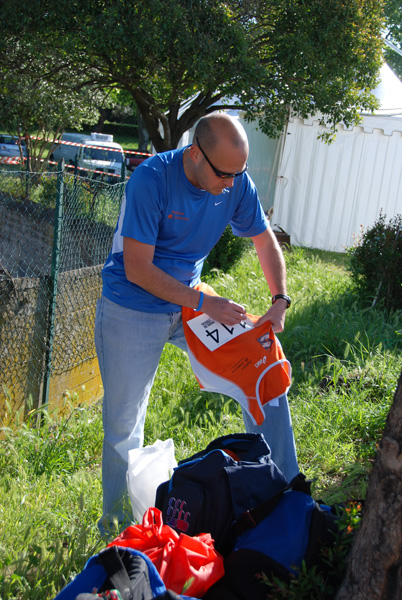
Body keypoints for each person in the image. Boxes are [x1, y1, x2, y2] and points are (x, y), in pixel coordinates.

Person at [94, 112, 299, 532]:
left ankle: (286, 500)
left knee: (265, 373)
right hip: (132, 306)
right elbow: (137, 269)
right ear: (195, 154)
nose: (232, 184)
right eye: (225, 173)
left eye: (238, 173)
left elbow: (263, 238)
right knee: (123, 425)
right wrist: (205, 302)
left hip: (192, 304)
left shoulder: (235, 180)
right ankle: (117, 529)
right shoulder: (151, 180)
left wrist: (279, 298)